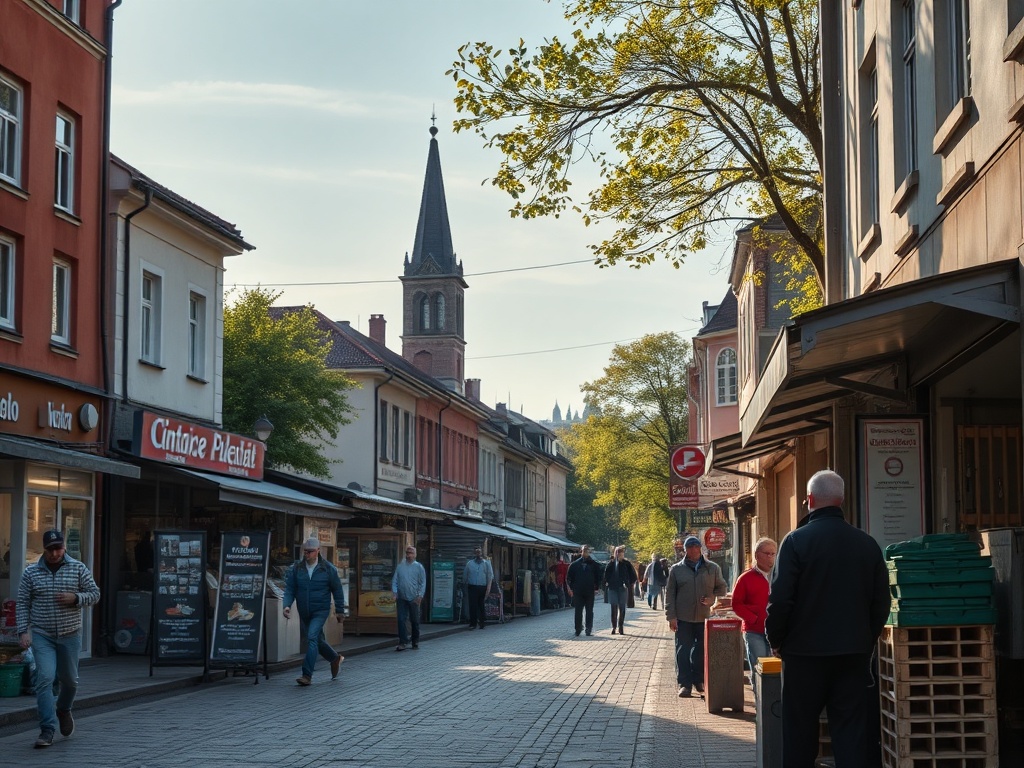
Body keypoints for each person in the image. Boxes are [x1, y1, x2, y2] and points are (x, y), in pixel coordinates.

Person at [765, 470, 889, 768]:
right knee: (850, 735)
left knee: (799, 735)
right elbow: (881, 603)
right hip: (852, 655)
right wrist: (865, 639)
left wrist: (776, 640)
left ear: (809, 500)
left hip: (803, 656)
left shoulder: (795, 542)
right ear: (841, 499)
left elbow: (780, 600)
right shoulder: (867, 544)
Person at [16, 529, 101, 748]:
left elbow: (95, 593)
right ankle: (47, 729)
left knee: (70, 681)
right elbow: (23, 602)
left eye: (58, 548)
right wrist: (23, 631)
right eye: (50, 549)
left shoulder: (78, 568)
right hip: (43, 634)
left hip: (70, 634)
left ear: (64, 547)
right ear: (44, 550)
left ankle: (63, 709)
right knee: (44, 678)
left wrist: (76, 598)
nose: (54, 553)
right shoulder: (31, 572)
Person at [665, 535, 727, 698]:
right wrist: (671, 616)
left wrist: (712, 599)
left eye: (695, 546)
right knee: (683, 651)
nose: (693, 549)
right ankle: (684, 684)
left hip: (704, 617)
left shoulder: (712, 568)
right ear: (684, 550)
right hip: (683, 617)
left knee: (700, 652)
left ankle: (699, 681)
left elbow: (722, 588)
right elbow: (670, 594)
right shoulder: (676, 569)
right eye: (689, 547)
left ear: (700, 548)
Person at [282, 536, 346, 686]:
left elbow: (337, 590)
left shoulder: (328, 568)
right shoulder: (297, 568)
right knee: (317, 639)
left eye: (310, 551)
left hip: (321, 609)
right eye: (305, 551)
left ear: (318, 551)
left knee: (311, 638)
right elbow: (290, 588)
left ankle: (307, 675)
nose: (307, 554)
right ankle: (335, 658)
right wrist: (287, 605)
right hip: (304, 610)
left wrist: (340, 611)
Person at [731, 537, 777, 696]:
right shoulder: (745, 578)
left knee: (775, 670)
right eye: (767, 553)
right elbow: (736, 604)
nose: (771, 557)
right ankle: (761, 706)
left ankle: (773, 705)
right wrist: (754, 619)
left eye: (773, 554)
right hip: (754, 631)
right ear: (757, 555)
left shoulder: (780, 576)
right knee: (758, 667)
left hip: (777, 632)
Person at [392, 544, 426, 651]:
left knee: (414, 620)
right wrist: (395, 592)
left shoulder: (419, 567)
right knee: (401, 619)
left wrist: (420, 595)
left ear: (415, 555)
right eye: (407, 553)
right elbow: (395, 580)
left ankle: (415, 641)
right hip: (402, 597)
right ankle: (403, 641)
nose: (409, 555)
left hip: (414, 597)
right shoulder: (400, 566)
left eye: (411, 553)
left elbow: (422, 582)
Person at [565, 545, 603, 636]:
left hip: (590, 591)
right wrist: (570, 588)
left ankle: (588, 629)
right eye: (584, 551)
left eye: (587, 551)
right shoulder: (574, 565)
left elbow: (598, 577)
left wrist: (597, 588)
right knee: (578, 610)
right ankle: (578, 629)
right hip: (578, 591)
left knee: (589, 610)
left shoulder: (594, 564)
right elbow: (569, 578)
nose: (585, 552)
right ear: (580, 552)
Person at [602, 545, 638, 634]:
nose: (619, 554)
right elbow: (605, 576)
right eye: (617, 552)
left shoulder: (626, 564)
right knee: (613, 607)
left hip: (623, 588)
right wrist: (607, 583)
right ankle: (614, 627)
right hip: (613, 588)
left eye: (621, 553)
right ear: (615, 553)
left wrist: (628, 583)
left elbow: (633, 576)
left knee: (622, 608)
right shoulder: (611, 564)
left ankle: (621, 626)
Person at [464, 545, 493, 630]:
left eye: (479, 552)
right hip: (472, 586)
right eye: (476, 552)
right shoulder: (469, 563)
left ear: (481, 553)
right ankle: (473, 623)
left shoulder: (486, 563)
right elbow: (465, 576)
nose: (478, 554)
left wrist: (488, 588)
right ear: (474, 553)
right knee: (473, 606)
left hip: (482, 587)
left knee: (481, 605)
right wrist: (465, 585)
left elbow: (490, 576)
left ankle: (482, 622)